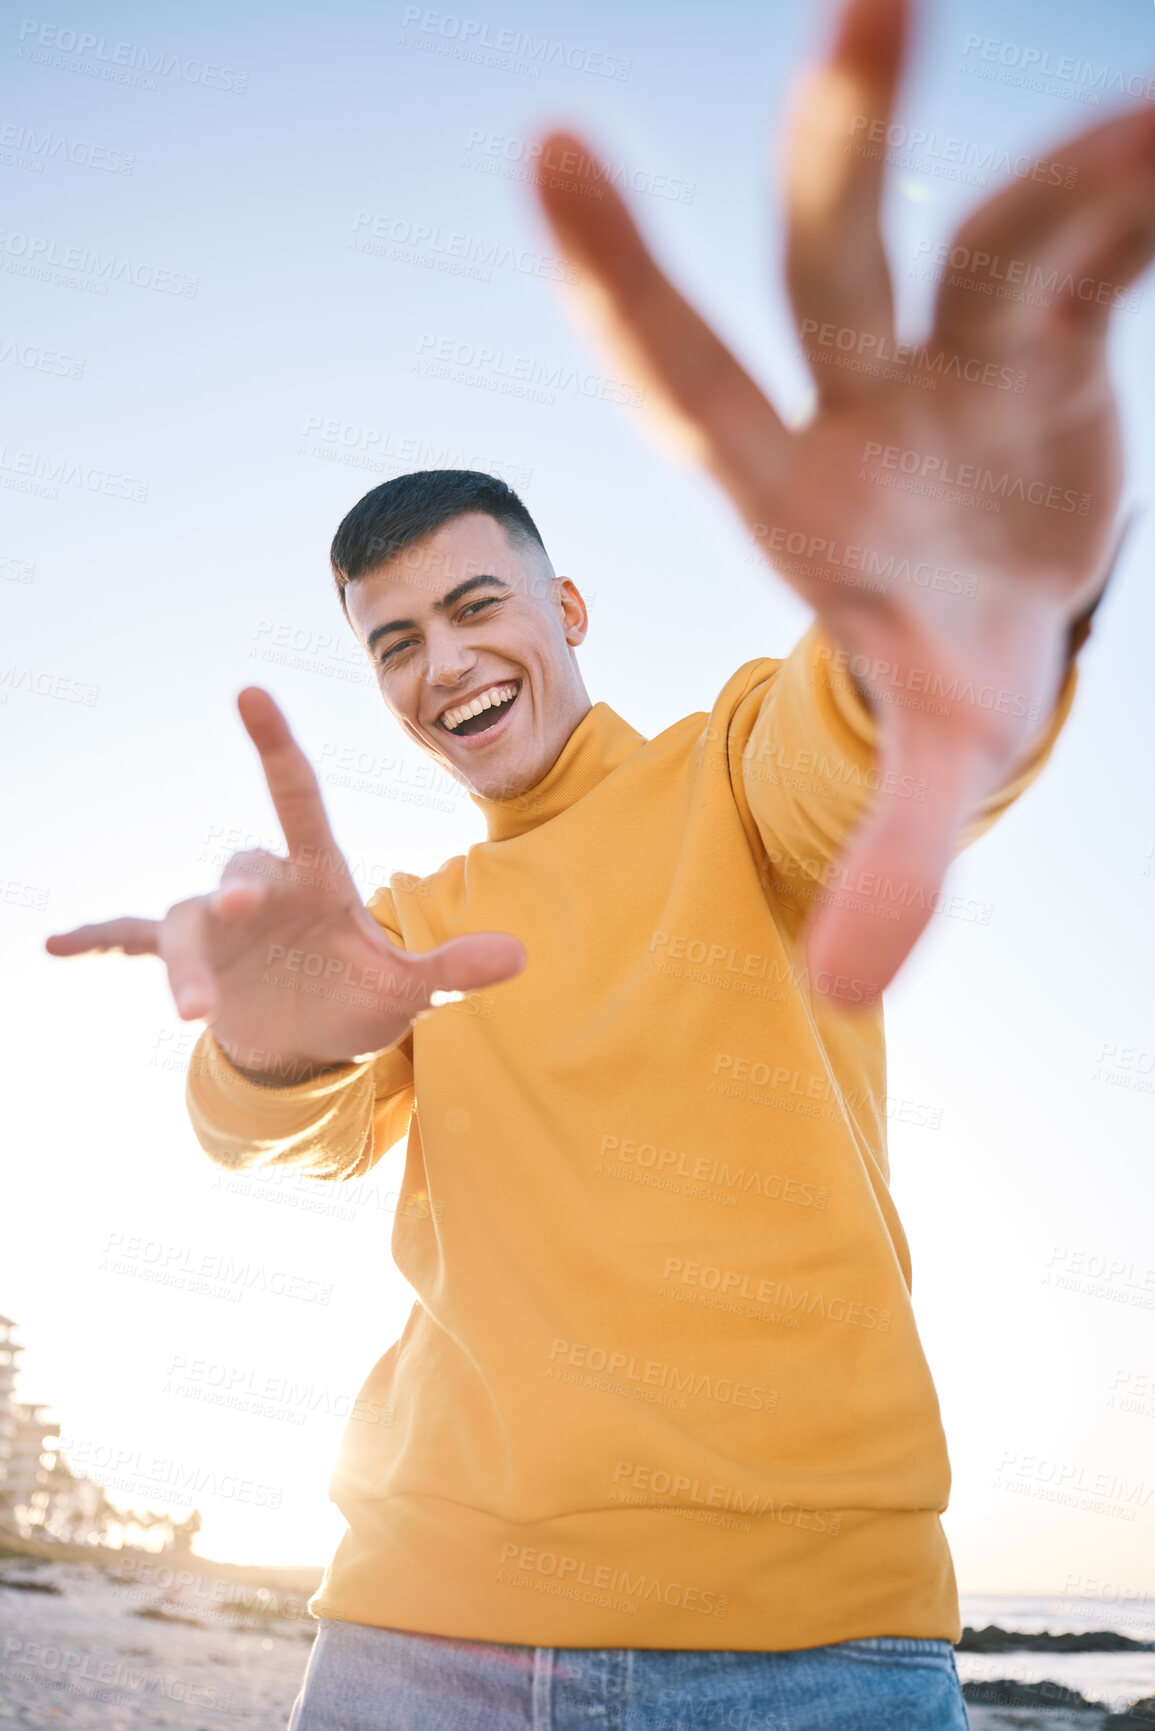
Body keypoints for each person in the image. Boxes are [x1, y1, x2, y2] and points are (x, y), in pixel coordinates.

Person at [46, 0, 1155, 1724]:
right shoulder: (410, 928)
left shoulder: (728, 767)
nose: (445, 664)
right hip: (420, 1638)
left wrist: (926, 639)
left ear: (565, 608)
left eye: (476, 605)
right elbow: (268, 1125)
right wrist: (270, 1036)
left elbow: (840, 757)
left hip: (818, 1653)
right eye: (395, 640)